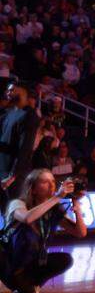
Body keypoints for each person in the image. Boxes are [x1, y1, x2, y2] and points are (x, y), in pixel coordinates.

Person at [0, 169, 86, 293]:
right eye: (45, 182)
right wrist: (57, 197)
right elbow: (28, 218)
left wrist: (77, 208)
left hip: (32, 262)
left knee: (65, 259)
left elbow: (80, 233)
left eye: (53, 181)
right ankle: (22, 287)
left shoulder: (54, 209)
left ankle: (33, 287)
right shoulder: (17, 203)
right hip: (10, 261)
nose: (51, 185)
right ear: (33, 188)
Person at [0, 82, 41, 212]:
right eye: (7, 90)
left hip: (15, 176)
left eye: (12, 90)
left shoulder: (29, 115)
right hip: (1, 170)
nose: (8, 93)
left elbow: (25, 147)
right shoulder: (7, 114)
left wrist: (13, 175)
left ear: (23, 92)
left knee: (13, 213)